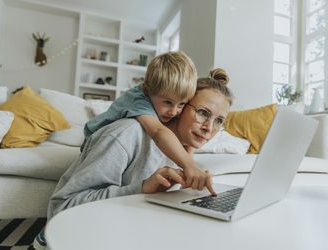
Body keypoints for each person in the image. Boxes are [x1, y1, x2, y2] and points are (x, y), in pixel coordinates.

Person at [32, 68, 233, 249]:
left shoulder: (183, 149)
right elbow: (62, 207)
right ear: (180, 104)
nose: (209, 128)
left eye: (218, 121)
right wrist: (141, 188)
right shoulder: (126, 134)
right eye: (202, 113)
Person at [83, 51, 212, 192]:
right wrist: (190, 166)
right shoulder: (139, 100)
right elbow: (158, 132)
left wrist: (188, 165)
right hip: (96, 139)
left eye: (181, 104)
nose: (174, 112)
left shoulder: (163, 102)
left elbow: (185, 141)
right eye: (168, 102)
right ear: (147, 90)